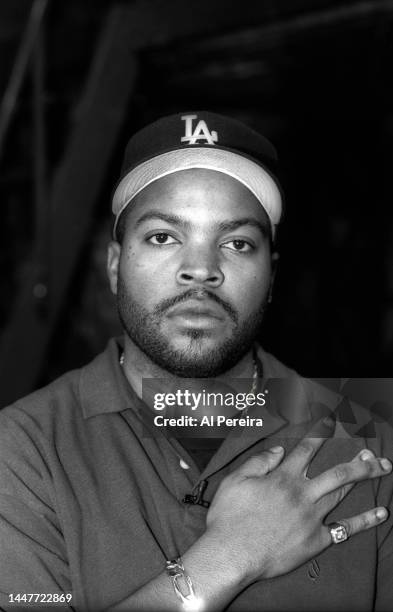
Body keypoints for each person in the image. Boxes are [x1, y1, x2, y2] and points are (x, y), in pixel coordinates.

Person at [0, 111, 392, 612]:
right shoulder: (25, 450)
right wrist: (231, 555)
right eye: (164, 236)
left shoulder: (366, 441)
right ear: (116, 265)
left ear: (270, 277)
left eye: (236, 243)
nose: (201, 270)